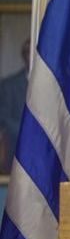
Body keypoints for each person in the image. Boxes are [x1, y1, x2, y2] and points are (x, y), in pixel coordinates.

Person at [0, 38, 30, 173]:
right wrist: (26, 131)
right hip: (15, 151)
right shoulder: (9, 85)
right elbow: (3, 117)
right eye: (28, 52)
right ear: (24, 55)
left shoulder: (53, 85)